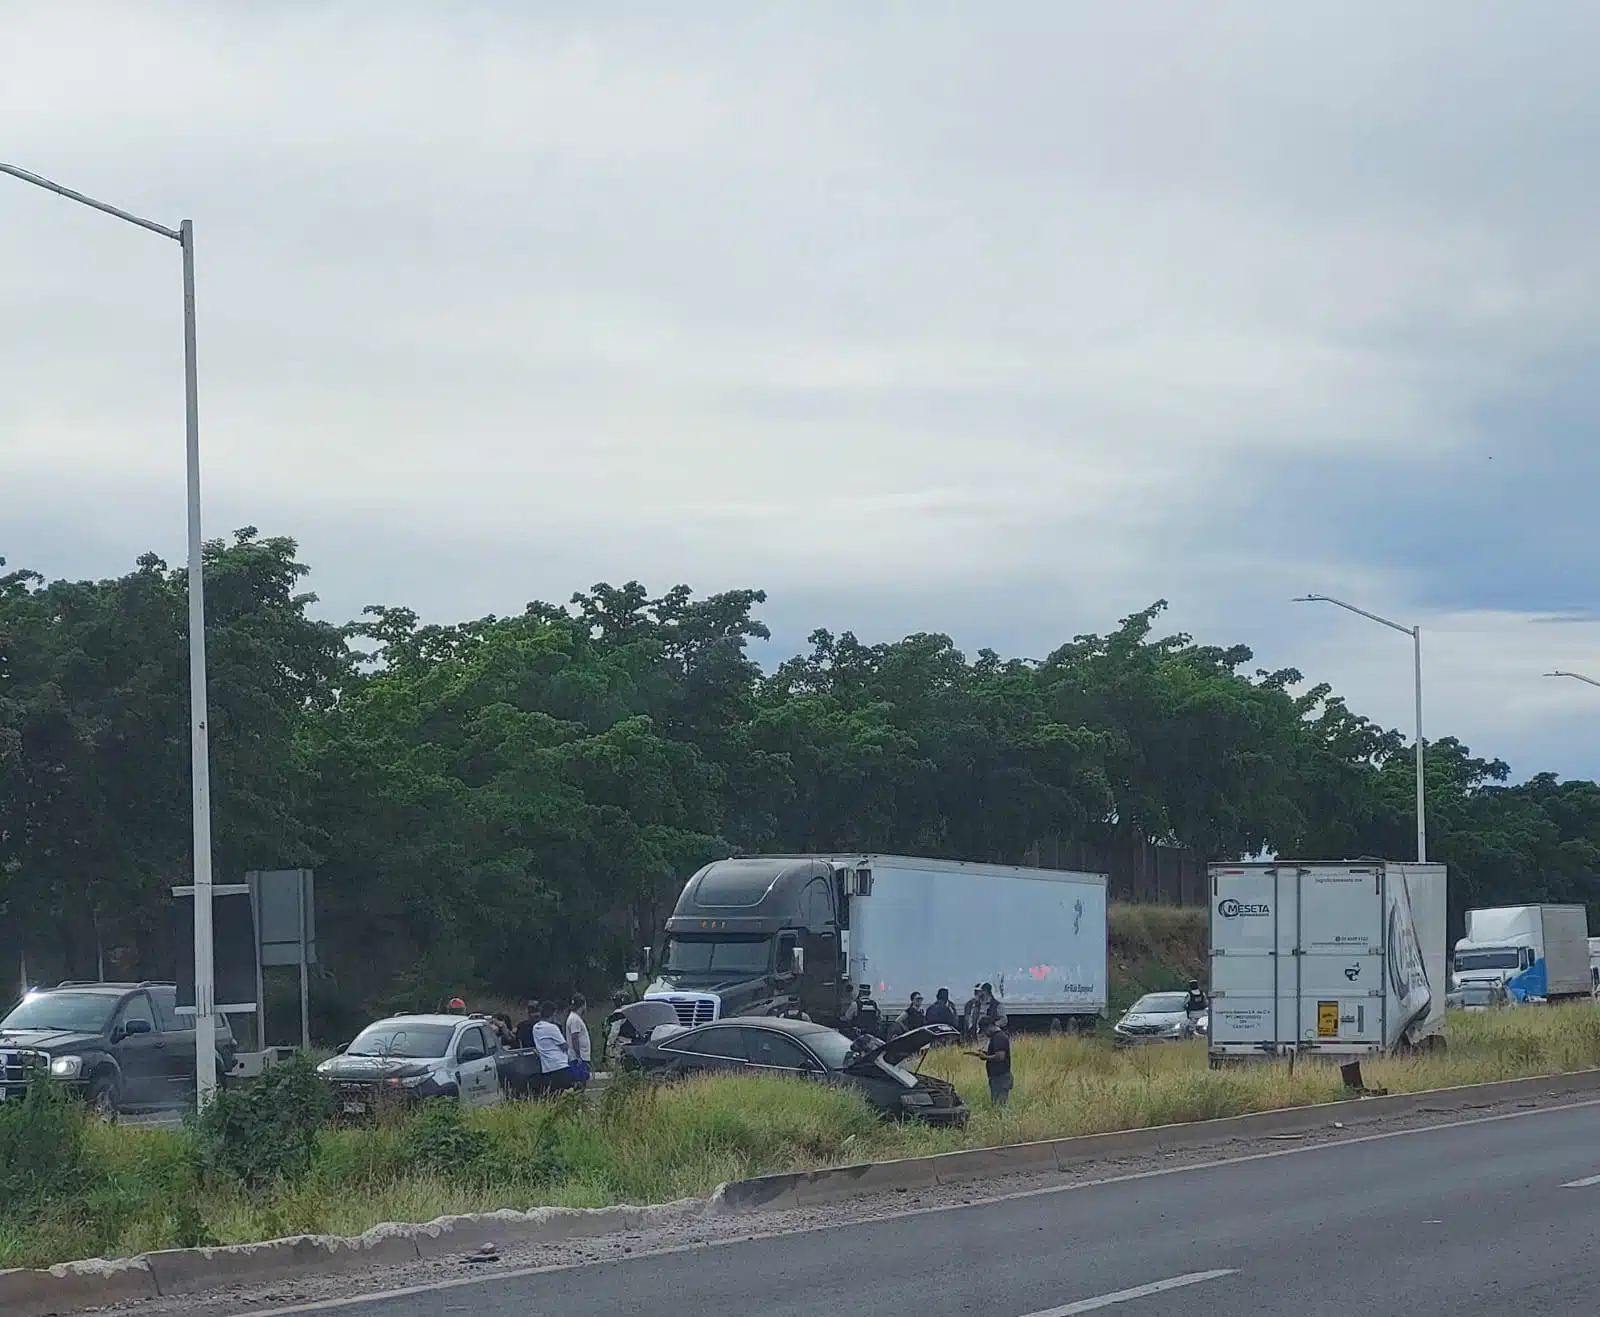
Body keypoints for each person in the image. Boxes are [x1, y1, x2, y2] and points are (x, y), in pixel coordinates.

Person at [967, 1016, 1013, 1107]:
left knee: (999, 1105)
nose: (985, 1034)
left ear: (989, 1026)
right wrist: (985, 1054)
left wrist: (986, 1057)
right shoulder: (997, 1037)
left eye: (984, 1031)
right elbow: (997, 1053)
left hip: (1000, 1077)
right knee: (996, 1103)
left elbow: (1000, 1057)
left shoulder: (999, 1037)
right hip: (998, 1077)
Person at [531, 1000, 572, 1096]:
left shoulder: (535, 1028)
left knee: (552, 1096)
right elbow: (564, 1046)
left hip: (547, 1068)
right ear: (553, 1013)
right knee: (567, 1095)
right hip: (560, 1066)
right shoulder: (552, 1028)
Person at [566, 994, 593, 1091]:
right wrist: (579, 1056)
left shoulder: (574, 1018)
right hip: (579, 1057)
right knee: (580, 1083)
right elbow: (575, 1038)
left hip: (581, 1056)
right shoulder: (575, 1019)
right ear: (583, 1004)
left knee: (582, 1081)